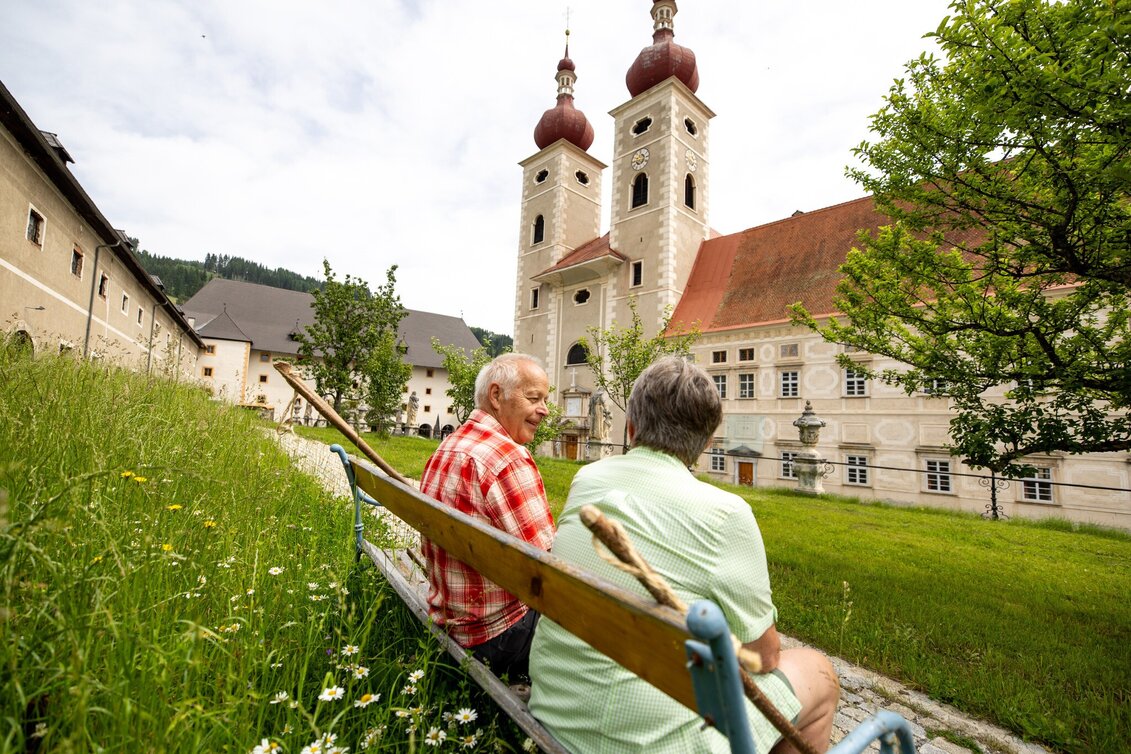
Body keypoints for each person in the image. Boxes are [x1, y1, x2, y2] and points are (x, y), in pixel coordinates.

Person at [529, 356, 839, 753]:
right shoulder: (727, 514)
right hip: (650, 743)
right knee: (817, 670)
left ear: (631, 426)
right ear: (707, 443)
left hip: (556, 713)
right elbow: (763, 656)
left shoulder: (588, 478)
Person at [419, 353, 555, 679]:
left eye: (545, 400)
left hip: (450, 617)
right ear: (496, 395)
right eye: (534, 398)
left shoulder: (448, 446)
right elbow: (550, 568)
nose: (545, 410)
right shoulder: (508, 458)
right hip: (496, 635)